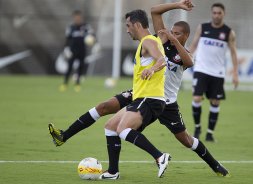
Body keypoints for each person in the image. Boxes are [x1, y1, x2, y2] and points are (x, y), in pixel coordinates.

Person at [49, 1, 229, 179]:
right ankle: (65, 136)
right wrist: (178, 5)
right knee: (105, 107)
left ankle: (215, 165)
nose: (171, 34)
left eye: (177, 33)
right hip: (142, 93)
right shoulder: (158, 41)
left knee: (186, 140)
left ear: (185, 36)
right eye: (171, 31)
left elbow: (189, 63)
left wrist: (172, 41)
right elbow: (154, 12)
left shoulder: (183, 53)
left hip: (166, 102)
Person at [188, 3, 239, 142]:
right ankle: (197, 127)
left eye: (219, 13)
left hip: (217, 73)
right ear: (211, 13)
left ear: (224, 14)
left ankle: (210, 134)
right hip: (201, 69)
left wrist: (235, 73)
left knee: (215, 102)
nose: (216, 15)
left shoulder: (229, 32)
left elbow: (234, 53)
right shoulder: (203, 27)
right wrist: (186, 59)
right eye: (214, 13)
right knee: (197, 98)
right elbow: (193, 45)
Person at [59, 10, 94, 92]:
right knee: (69, 67)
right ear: (74, 18)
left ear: (81, 18)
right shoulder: (71, 27)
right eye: (76, 17)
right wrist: (66, 49)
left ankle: (77, 84)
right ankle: (65, 84)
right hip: (72, 50)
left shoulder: (86, 26)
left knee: (80, 67)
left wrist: (93, 41)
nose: (78, 19)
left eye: (79, 17)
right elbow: (67, 39)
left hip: (82, 50)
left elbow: (92, 35)